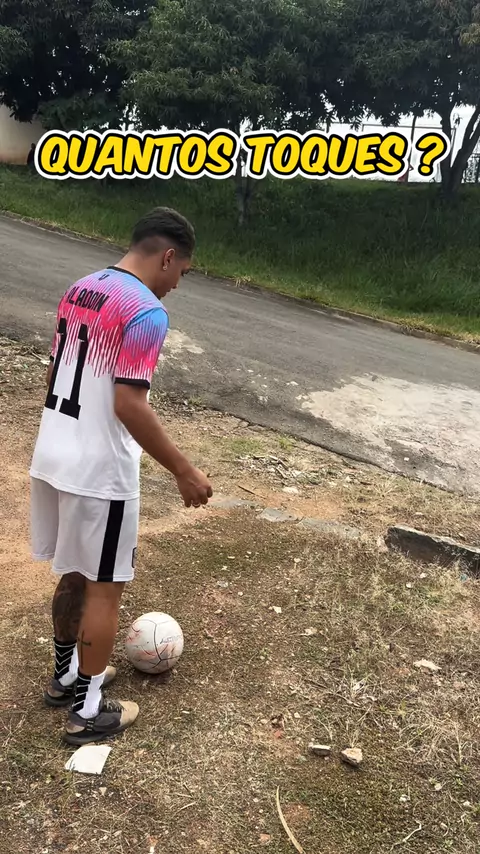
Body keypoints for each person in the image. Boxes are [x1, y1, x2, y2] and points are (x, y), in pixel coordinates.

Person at [29, 207, 213, 745]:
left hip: (54, 453)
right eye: (183, 272)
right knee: (105, 588)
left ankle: (67, 676)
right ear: (168, 256)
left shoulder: (81, 288)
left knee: (74, 573)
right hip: (99, 470)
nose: (177, 284)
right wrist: (184, 470)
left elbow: (55, 371)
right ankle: (88, 712)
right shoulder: (146, 311)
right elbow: (128, 404)